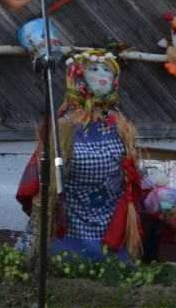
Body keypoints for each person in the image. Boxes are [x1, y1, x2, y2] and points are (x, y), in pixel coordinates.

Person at [16, 49, 143, 261]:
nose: (103, 75)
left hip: (108, 214)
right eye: (93, 69)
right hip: (72, 215)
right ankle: (65, 254)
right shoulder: (63, 128)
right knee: (66, 257)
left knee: (112, 263)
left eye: (107, 70)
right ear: (78, 77)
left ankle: (110, 257)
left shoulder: (121, 127)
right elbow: (44, 177)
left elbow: (132, 166)